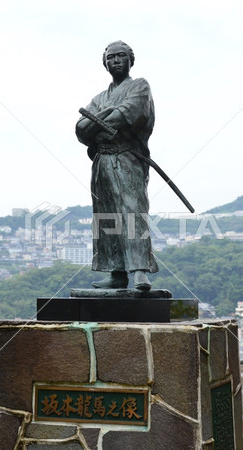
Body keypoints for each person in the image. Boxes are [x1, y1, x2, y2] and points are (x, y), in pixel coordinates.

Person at [75, 40, 158, 290]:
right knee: (106, 216)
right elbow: (80, 130)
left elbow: (128, 113)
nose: (116, 61)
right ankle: (116, 272)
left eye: (121, 56)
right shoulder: (99, 98)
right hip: (102, 162)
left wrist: (97, 121)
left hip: (127, 158)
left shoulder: (140, 86)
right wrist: (102, 121)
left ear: (130, 60)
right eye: (111, 57)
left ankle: (140, 271)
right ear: (105, 63)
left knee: (133, 213)